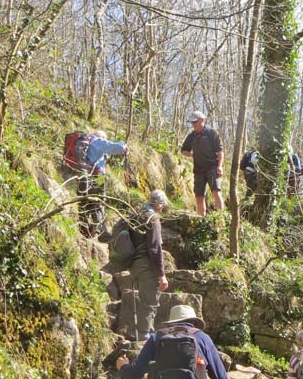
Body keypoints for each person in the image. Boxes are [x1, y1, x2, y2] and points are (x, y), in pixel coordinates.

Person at [118, 189, 169, 340]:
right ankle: (144, 336)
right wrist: (161, 275)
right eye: (162, 205)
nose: (162, 209)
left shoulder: (136, 216)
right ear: (158, 204)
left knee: (145, 298)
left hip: (133, 264)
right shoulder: (152, 218)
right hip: (146, 264)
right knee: (150, 300)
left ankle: (147, 332)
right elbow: (155, 248)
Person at [76, 130, 128, 238]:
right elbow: (113, 147)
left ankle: (83, 229)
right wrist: (124, 147)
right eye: (105, 139)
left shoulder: (88, 143)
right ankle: (98, 231)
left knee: (84, 202)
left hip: (84, 176)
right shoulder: (97, 141)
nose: (105, 140)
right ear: (101, 137)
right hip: (97, 176)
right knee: (99, 202)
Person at [181, 111, 224, 215]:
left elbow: (220, 151)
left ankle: (221, 218)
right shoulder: (191, 136)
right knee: (199, 197)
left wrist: (220, 166)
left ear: (202, 121)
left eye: (195, 122)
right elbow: (184, 150)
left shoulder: (211, 133)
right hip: (198, 170)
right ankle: (202, 220)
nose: (193, 124)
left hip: (212, 167)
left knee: (216, 192)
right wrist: (193, 154)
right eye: (192, 122)